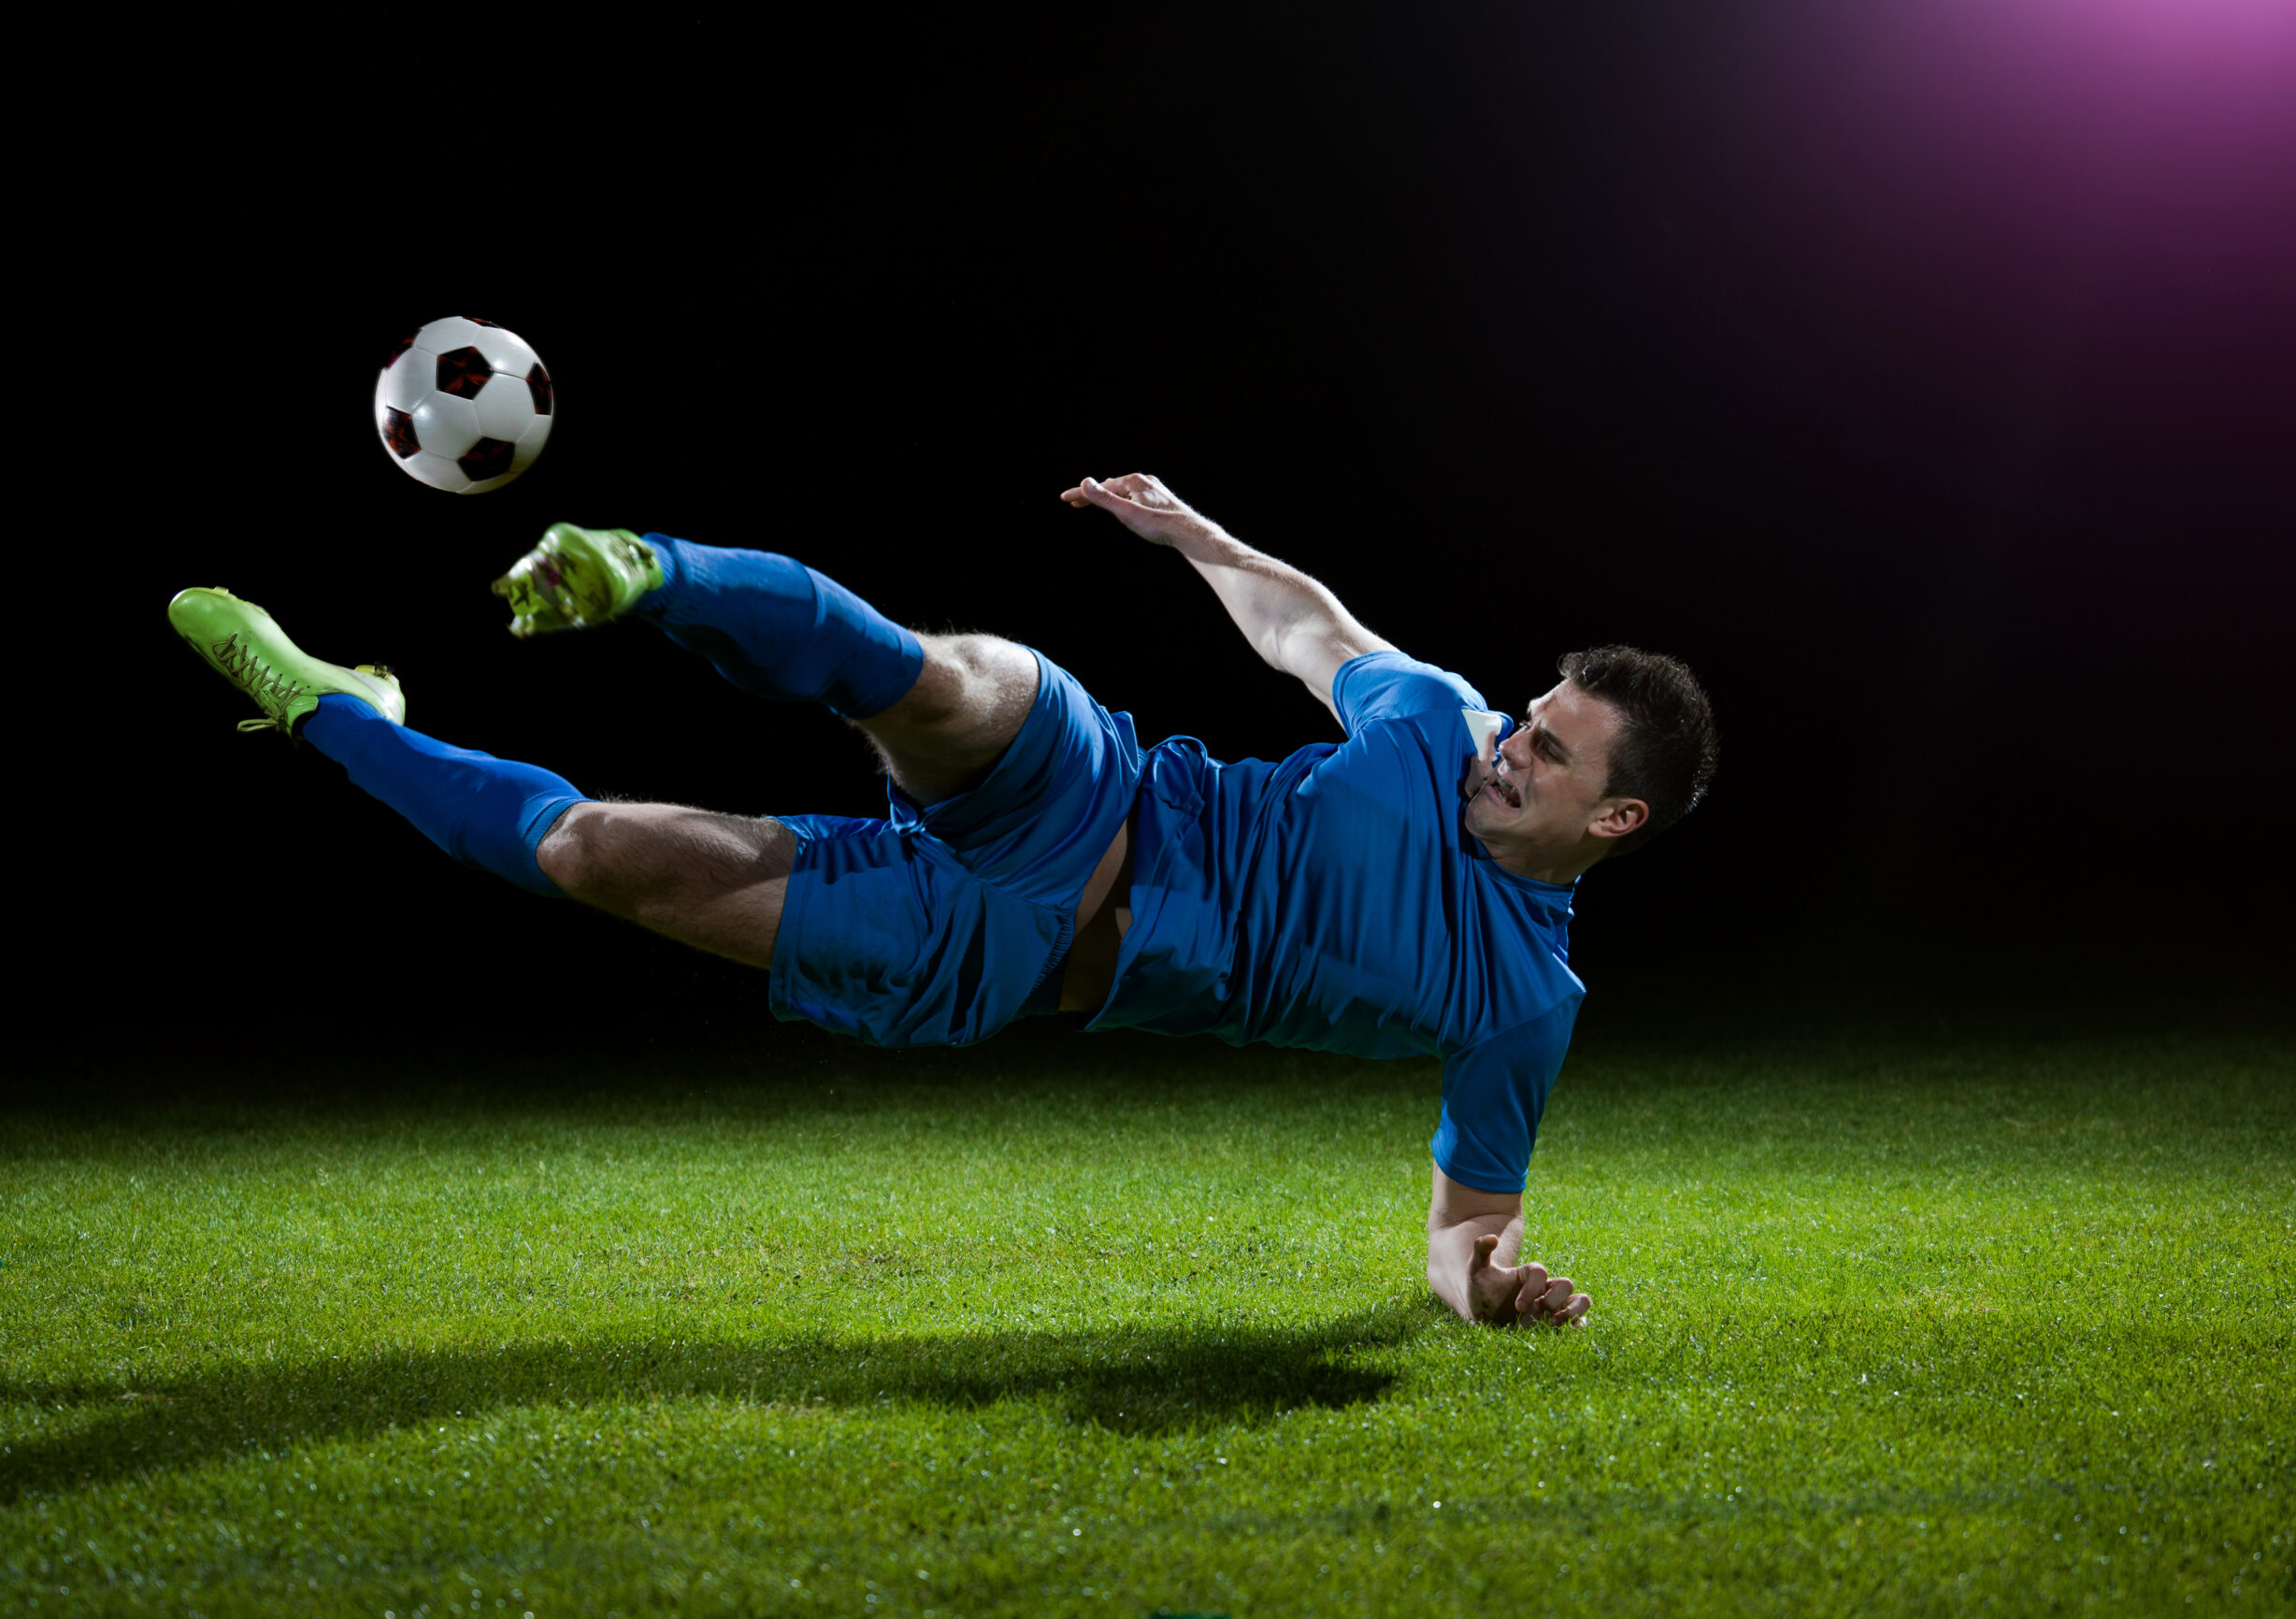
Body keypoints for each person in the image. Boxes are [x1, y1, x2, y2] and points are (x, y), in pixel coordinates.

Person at [166, 472, 1717, 1327]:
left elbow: (1464, 1229)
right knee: (947, 682)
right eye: (1526, 716)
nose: (1509, 747)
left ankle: (339, 710)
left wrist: (1487, 1290)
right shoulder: (1432, 719)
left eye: (1550, 755)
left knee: (592, 857)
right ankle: (651, 571)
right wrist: (1197, 538)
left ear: (1618, 815)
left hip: (989, 952)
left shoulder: (1527, 1004)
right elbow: (1309, 628)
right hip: (1101, 792)